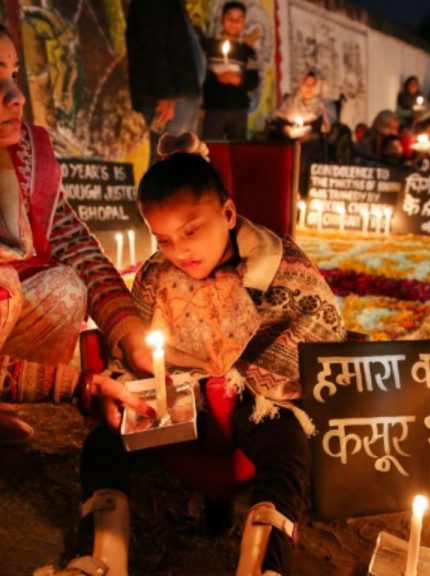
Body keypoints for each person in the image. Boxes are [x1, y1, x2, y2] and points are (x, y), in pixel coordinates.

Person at [62, 145, 346, 575]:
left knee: (287, 450)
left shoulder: (281, 265)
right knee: (103, 443)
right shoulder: (158, 274)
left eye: (191, 231)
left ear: (228, 214)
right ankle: (103, 558)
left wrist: (235, 382)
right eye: (164, 239)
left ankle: (265, 565)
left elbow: (316, 327)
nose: (179, 251)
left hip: (257, 395)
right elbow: (133, 344)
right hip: (176, 392)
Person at [0, 24, 152, 444]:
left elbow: (77, 247)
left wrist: (131, 337)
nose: (16, 97)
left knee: (66, 287)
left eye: (13, 77)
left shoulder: (26, 154)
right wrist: (82, 386)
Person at [126, 0, 203, 160]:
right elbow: (153, 49)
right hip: (171, 98)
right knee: (171, 162)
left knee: (182, 160)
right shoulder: (153, 4)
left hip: (182, 94)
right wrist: (165, 94)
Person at [201, 2, 259, 141]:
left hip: (238, 108)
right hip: (214, 107)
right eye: (230, 18)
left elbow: (254, 80)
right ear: (222, 19)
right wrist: (217, 78)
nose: (234, 22)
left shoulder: (247, 51)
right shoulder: (208, 46)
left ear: (244, 22)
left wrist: (239, 80)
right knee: (211, 149)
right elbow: (199, 74)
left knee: (238, 151)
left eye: (239, 19)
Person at [275, 70, 337, 197]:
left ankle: (300, 194)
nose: (308, 88)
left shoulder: (324, 106)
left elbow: (327, 131)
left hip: (313, 144)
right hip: (289, 141)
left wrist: (311, 135)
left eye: (312, 84)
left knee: (302, 160)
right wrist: (286, 129)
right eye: (305, 83)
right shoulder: (291, 102)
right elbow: (279, 123)